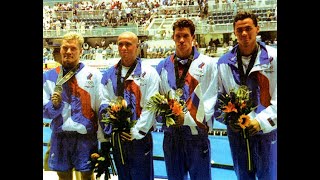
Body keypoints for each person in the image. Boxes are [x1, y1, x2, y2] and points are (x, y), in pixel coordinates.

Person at [214, 10, 277, 180]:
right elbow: (218, 99)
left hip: (266, 133)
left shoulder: (273, 58)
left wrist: (261, 122)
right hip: (238, 135)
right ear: (234, 33)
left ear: (258, 29)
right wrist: (229, 120)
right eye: (239, 30)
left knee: (269, 176)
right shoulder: (223, 62)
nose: (244, 34)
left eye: (248, 28)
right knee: (242, 177)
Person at [155, 18, 219, 180]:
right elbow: (156, 99)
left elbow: (211, 99)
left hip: (196, 134)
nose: (181, 40)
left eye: (185, 36)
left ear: (193, 37)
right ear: (173, 38)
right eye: (178, 36)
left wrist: (187, 118)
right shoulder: (162, 66)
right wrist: (168, 117)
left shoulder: (208, 64)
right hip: (171, 135)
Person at [43, 32, 108, 180]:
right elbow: (43, 109)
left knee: (87, 175)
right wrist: (54, 106)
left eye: (73, 48)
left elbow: (101, 107)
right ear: (60, 50)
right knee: (63, 177)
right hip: (60, 137)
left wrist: (103, 139)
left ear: (81, 51)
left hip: (86, 137)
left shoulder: (94, 75)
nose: (68, 52)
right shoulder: (49, 77)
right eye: (65, 48)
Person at [98, 31, 160, 180]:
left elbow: (151, 106)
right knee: (123, 177)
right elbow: (103, 104)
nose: (124, 48)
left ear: (137, 47)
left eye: (128, 44)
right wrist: (111, 131)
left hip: (140, 138)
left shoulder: (149, 73)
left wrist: (136, 132)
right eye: (120, 44)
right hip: (118, 138)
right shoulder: (108, 75)